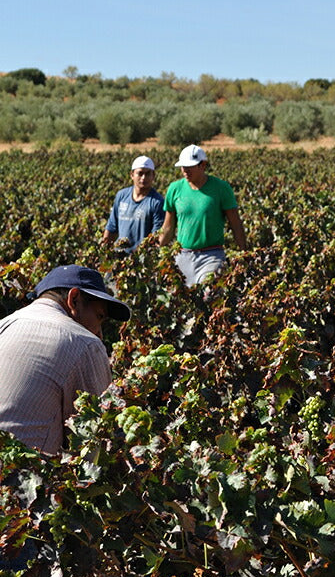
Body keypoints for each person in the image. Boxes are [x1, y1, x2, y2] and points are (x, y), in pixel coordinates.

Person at [0, 264, 131, 455]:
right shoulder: (85, 343)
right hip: (19, 479)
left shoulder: (4, 325)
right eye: (99, 316)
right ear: (74, 299)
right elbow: (98, 442)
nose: (100, 334)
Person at [158, 144, 247, 286]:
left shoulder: (221, 188)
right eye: (183, 167)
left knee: (209, 294)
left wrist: (244, 254)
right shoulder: (175, 189)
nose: (185, 171)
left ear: (203, 165)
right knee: (182, 300)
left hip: (212, 255)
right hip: (182, 256)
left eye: (190, 166)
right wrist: (155, 251)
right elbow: (168, 227)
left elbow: (235, 224)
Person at [102, 155, 165, 252]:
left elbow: (156, 236)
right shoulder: (121, 196)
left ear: (153, 176)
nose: (143, 178)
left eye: (148, 174)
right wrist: (104, 251)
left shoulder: (157, 202)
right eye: (140, 173)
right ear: (132, 175)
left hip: (141, 258)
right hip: (119, 255)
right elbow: (111, 227)